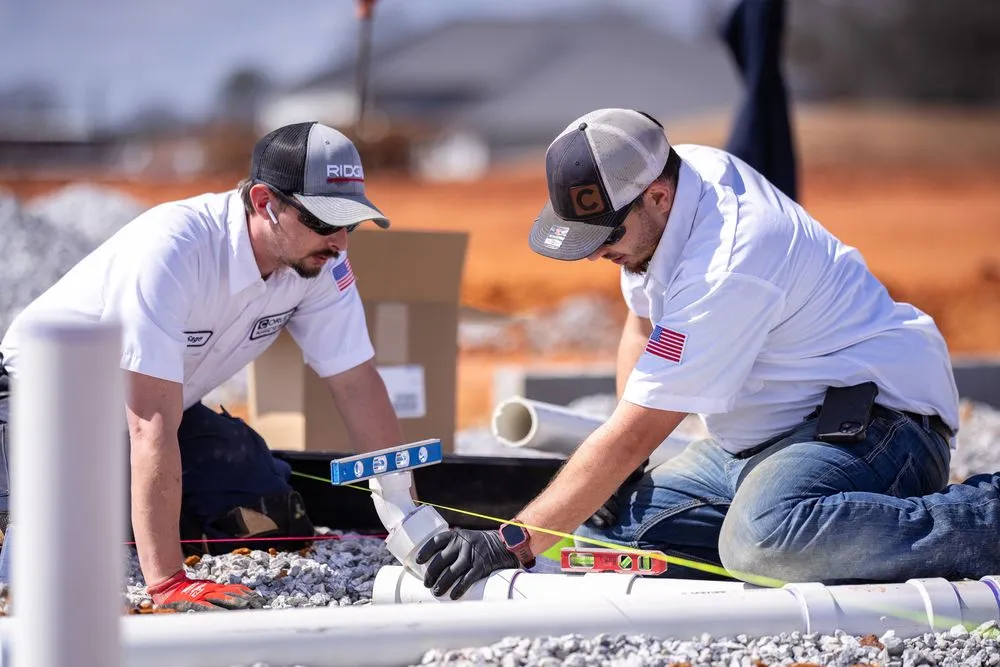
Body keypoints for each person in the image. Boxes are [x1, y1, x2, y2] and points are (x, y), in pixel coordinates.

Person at [416, 107, 1000, 600]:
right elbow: (641, 325)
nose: (599, 255)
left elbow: (640, 428)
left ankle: (983, 518)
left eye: (607, 238)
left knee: (760, 542)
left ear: (659, 198)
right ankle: (814, 528)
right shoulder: (661, 193)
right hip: (768, 436)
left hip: (880, 423)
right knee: (611, 532)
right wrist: (622, 478)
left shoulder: (730, 261)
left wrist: (507, 542)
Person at [0, 121, 406, 611]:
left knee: (268, 511)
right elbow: (149, 423)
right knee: (33, 556)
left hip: (160, 413)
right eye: (324, 221)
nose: (340, 241)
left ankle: (120, 510)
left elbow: (357, 384)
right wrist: (169, 582)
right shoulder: (174, 249)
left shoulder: (319, 260)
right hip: (44, 405)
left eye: (351, 223)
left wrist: (411, 521)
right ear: (264, 202)